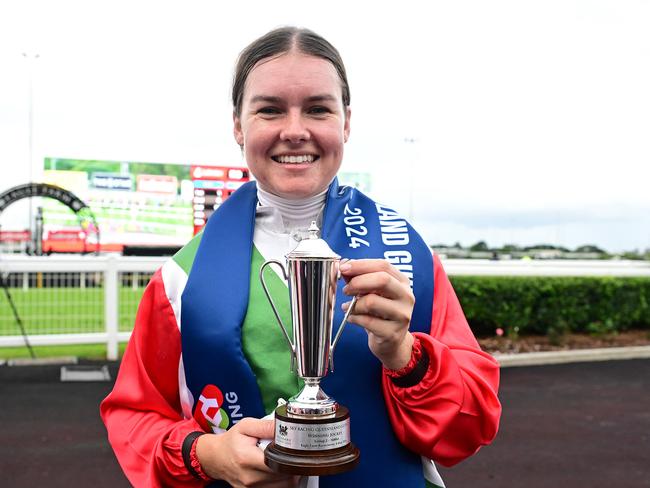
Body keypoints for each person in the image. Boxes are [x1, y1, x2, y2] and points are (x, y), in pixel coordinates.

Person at [101, 27, 501, 488]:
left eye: (318, 109)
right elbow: (135, 416)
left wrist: (404, 354)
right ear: (238, 124)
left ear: (346, 123)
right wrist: (205, 453)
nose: (295, 131)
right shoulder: (179, 280)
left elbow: (471, 424)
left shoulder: (408, 258)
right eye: (270, 109)